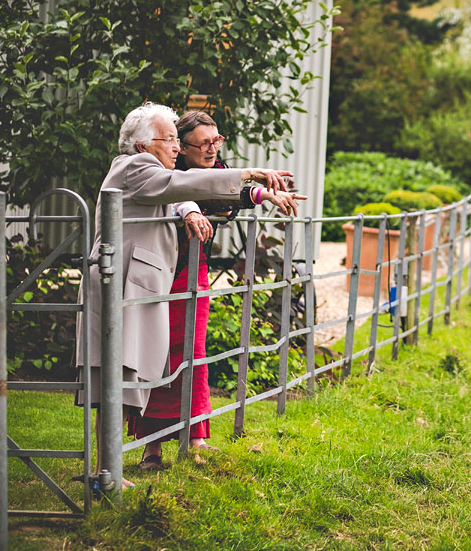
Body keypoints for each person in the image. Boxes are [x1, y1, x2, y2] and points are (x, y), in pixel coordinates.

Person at [76, 102, 304, 489]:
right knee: (112, 381)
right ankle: (104, 472)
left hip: (133, 286)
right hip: (121, 286)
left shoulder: (151, 171)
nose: (177, 149)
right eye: (170, 140)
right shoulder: (133, 167)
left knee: (123, 382)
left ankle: (105, 470)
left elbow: (180, 191)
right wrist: (251, 174)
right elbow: (182, 184)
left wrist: (249, 193)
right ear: (145, 144)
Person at [129, 110, 298, 467]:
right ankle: (152, 446)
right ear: (182, 147)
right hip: (164, 274)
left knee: (196, 353)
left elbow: (226, 190)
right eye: (203, 143)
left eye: (216, 141)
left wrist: (264, 193)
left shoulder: (215, 170)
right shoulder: (166, 174)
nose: (211, 149)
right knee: (158, 356)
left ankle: (196, 437)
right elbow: (191, 189)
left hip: (195, 270)